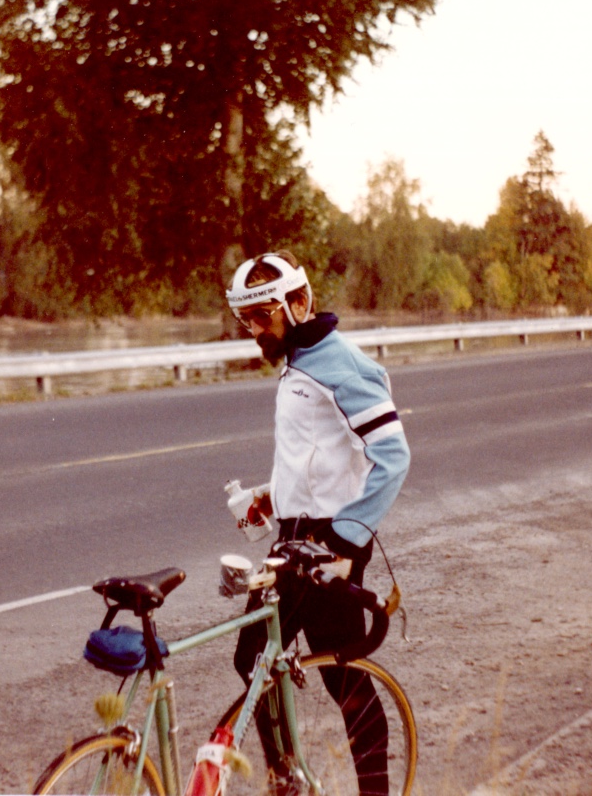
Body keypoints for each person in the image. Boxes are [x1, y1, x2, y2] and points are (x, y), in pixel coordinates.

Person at [225, 250, 411, 795]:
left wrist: (346, 541)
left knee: (341, 678)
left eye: (264, 317)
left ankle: (319, 784)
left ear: (299, 303)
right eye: (247, 320)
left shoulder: (340, 364)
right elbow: (319, 455)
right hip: (295, 537)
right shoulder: (299, 362)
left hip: (327, 544)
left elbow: (392, 457)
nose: (255, 331)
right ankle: (291, 779)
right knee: (259, 658)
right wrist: (271, 495)